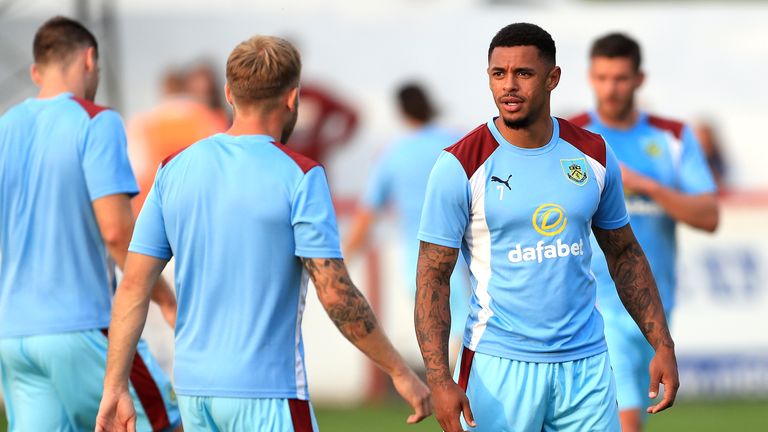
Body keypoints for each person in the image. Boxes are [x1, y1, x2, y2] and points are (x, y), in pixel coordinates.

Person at [95, 35, 430, 431]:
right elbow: (335, 291)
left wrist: (114, 385)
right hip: (266, 392)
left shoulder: (174, 170)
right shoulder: (301, 175)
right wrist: (399, 370)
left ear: (228, 94)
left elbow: (133, 285)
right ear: (293, 98)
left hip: (193, 393)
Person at [414, 23, 679, 432]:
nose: (509, 86)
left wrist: (661, 343)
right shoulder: (459, 165)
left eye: (524, 73)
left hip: (586, 366)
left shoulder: (592, 153)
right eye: (498, 74)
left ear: (552, 78)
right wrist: (439, 378)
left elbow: (624, 253)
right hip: (498, 366)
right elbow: (432, 277)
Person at [0, 16, 180, 431]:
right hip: (84, 326)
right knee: (164, 424)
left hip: (15, 336)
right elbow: (117, 233)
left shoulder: (5, 127)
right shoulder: (97, 121)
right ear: (89, 60)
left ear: (35, 72)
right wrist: (166, 300)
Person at [569, 32, 719, 432]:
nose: (610, 88)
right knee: (624, 419)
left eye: (619, 78)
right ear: (589, 77)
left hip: (654, 303)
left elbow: (708, 215)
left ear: (639, 79)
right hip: (594, 302)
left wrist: (647, 185)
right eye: (601, 78)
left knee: (631, 415)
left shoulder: (671, 137)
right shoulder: (572, 136)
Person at [345, 82, 471, 345]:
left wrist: (342, 261)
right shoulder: (457, 142)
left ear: (401, 112)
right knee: (465, 328)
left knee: (435, 334)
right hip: (462, 254)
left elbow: (368, 212)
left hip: (417, 259)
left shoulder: (394, 153)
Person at [127, 66, 228, 215]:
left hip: (150, 211)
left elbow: (134, 171)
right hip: (198, 211)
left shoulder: (142, 123)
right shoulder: (210, 119)